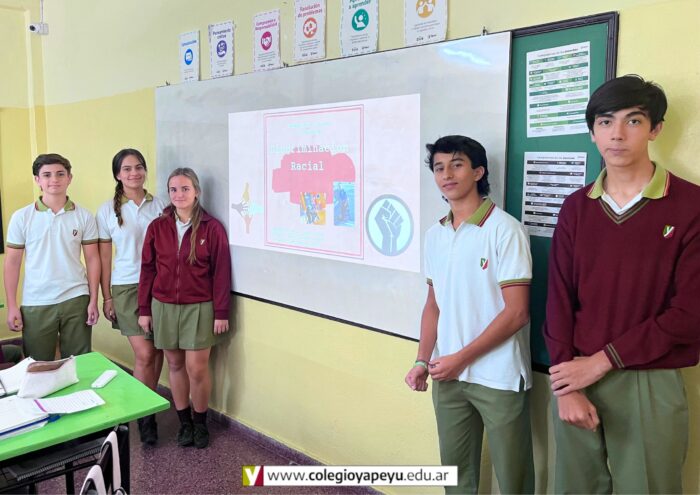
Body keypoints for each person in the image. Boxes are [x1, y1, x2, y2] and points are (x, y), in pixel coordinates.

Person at [544, 75, 700, 494]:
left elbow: (690, 314)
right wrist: (565, 385)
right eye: (605, 121)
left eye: (633, 121)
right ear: (592, 132)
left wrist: (603, 361)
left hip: (649, 377)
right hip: (575, 372)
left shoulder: (691, 205)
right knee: (575, 487)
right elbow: (558, 300)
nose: (617, 134)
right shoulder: (576, 208)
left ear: (655, 129)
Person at [405, 135, 534, 494]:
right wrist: (422, 360)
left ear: (478, 172)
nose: (447, 174)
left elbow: (517, 313)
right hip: (447, 375)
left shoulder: (505, 230)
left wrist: (459, 359)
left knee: (513, 478)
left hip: (499, 376)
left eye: (457, 165)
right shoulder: (435, 234)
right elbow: (434, 305)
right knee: (456, 476)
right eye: (439, 167)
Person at [138, 167, 231, 449]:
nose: (179, 194)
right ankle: (184, 424)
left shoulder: (212, 228)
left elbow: (221, 273)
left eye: (185, 189)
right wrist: (144, 309)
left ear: (197, 192)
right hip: (164, 306)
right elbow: (148, 269)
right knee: (175, 365)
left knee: (196, 368)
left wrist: (221, 312)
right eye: (174, 189)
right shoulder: (157, 227)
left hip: (200, 307)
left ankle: (200, 423)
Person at [96, 148, 166, 445]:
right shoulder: (106, 211)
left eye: (139, 167)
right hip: (126, 288)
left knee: (158, 350)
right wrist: (107, 297)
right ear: (117, 175)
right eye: (127, 169)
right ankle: (144, 416)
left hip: (160, 285)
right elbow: (104, 257)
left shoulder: (161, 204)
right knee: (145, 353)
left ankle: (149, 403)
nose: (134, 173)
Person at [4, 153, 100, 361]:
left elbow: (93, 259)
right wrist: (12, 305)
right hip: (36, 301)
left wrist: (94, 299)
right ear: (37, 180)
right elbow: (12, 263)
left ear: (69, 178)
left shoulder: (84, 216)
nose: (54, 179)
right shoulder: (21, 217)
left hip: (76, 298)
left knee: (79, 363)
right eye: (47, 175)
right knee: (37, 364)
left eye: (60, 174)